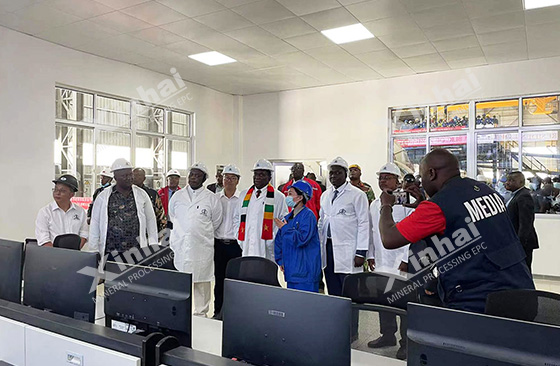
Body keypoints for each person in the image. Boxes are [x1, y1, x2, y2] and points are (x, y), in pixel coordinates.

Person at [379, 149, 535, 314]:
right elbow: (468, 225)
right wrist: (423, 205)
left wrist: (386, 205)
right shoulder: (485, 190)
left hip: (480, 301)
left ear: (431, 173)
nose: (421, 183)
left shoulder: (439, 205)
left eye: (422, 177)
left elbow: (389, 238)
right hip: (521, 289)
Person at [367, 163, 411, 360]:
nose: (383, 180)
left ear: (397, 181)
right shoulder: (375, 204)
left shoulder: (407, 203)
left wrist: (405, 259)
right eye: (381, 177)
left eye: (387, 177)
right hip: (381, 261)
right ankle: (387, 335)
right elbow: (372, 232)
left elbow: (413, 234)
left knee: (402, 303)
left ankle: (406, 342)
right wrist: (370, 256)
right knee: (383, 299)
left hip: (400, 263)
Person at [169, 162, 222, 317]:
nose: (193, 178)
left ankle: (201, 313)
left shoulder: (212, 199)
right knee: (181, 281)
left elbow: (216, 221)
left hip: (201, 247)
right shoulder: (178, 196)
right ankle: (179, 312)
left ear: (204, 178)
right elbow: (173, 215)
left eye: (198, 175)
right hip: (180, 245)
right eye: (192, 174)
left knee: (202, 282)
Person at [89, 158, 158, 262]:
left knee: (136, 277)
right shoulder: (103, 196)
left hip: (137, 251)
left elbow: (151, 221)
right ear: (115, 177)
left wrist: (153, 245)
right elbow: (95, 222)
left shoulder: (142, 194)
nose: (129, 178)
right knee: (111, 277)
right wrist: (93, 249)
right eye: (124, 175)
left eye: (130, 174)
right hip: (111, 251)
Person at [318, 157, 369, 295]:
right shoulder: (325, 195)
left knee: (349, 291)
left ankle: (351, 317)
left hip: (349, 250)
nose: (333, 176)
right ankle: (336, 316)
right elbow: (322, 221)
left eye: (338, 172)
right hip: (328, 248)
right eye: (331, 173)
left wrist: (361, 252)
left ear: (345, 174)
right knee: (333, 288)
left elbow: (364, 223)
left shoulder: (357, 195)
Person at [234, 159, 288, 260]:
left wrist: (271, 239)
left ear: (269, 177)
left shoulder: (278, 197)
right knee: (248, 272)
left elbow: (282, 221)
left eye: (262, 175)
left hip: (267, 247)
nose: (258, 177)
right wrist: (239, 237)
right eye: (256, 174)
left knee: (264, 272)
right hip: (247, 244)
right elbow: (237, 218)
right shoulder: (244, 195)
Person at [274, 180, 322, 292]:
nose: (287, 196)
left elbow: (302, 239)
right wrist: (280, 260)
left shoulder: (308, 216)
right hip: (291, 271)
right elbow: (279, 241)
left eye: (290, 194)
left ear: (300, 197)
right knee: (294, 306)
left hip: (306, 273)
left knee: (306, 306)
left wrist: (285, 228)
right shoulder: (288, 218)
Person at [213, 164, 242, 320]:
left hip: (236, 246)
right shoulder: (215, 198)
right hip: (218, 245)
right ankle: (218, 311)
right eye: (226, 177)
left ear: (237, 181)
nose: (228, 181)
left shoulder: (243, 198)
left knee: (234, 281)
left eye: (232, 178)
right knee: (219, 280)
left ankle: (233, 314)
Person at [35, 174, 88, 248]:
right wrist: (59, 255)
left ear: (71, 194)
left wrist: (75, 251)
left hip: (74, 255)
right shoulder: (45, 212)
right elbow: (43, 239)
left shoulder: (80, 212)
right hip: (52, 255)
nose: (57, 193)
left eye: (62, 191)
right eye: (56, 189)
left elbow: (84, 234)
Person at [505, 172, 539, 270]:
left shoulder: (523, 196)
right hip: (514, 242)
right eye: (507, 180)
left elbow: (525, 223)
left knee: (523, 271)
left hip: (522, 243)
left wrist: (519, 244)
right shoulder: (515, 196)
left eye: (512, 180)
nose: (507, 183)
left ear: (521, 182)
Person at [132, 168, 167, 233]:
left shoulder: (152, 194)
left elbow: (160, 214)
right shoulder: (126, 193)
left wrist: (161, 234)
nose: (135, 177)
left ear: (144, 178)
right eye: (134, 175)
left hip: (149, 232)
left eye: (139, 175)